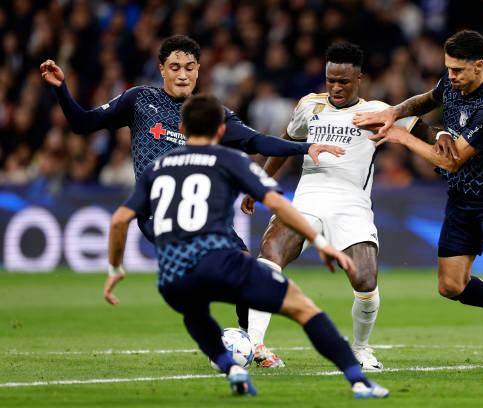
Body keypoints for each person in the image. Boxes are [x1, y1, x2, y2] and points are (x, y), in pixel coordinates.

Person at [40, 35, 343, 366]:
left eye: (189, 67)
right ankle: (221, 334)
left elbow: (257, 141)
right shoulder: (140, 100)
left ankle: (251, 344)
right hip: (159, 213)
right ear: (162, 69)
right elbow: (83, 123)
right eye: (174, 67)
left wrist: (305, 147)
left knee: (246, 267)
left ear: (198, 70)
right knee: (203, 277)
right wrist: (61, 89)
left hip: (207, 215)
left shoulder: (209, 114)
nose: (182, 75)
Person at [103, 94, 389, 398]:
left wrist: (115, 268)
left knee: (195, 314)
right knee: (303, 307)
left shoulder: (157, 167)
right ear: (221, 130)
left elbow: (119, 221)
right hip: (219, 261)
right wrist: (319, 241)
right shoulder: (229, 160)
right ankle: (359, 381)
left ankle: (233, 369)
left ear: (182, 127)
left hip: (172, 274)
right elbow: (277, 202)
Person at [353, 30, 483, 369]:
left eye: (457, 69)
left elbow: (451, 160)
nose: (450, 75)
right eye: (448, 68)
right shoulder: (452, 83)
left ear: (479, 66)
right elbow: (427, 100)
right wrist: (394, 112)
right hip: (461, 199)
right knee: (450, 286)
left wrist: (399, 135)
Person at [240, 42, 419, 370]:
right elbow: (286, 143)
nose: (336, 87)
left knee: (365, 280)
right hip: (307, 199)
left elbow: (420, 129)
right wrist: (260, 182)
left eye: (343, 81)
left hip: (352, 205)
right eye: (331, 80)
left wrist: (444, 140)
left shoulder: (377, 111)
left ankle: (361, 349)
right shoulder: (309, 105)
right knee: (270, 253)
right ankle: (255, 345)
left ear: (359, 79)